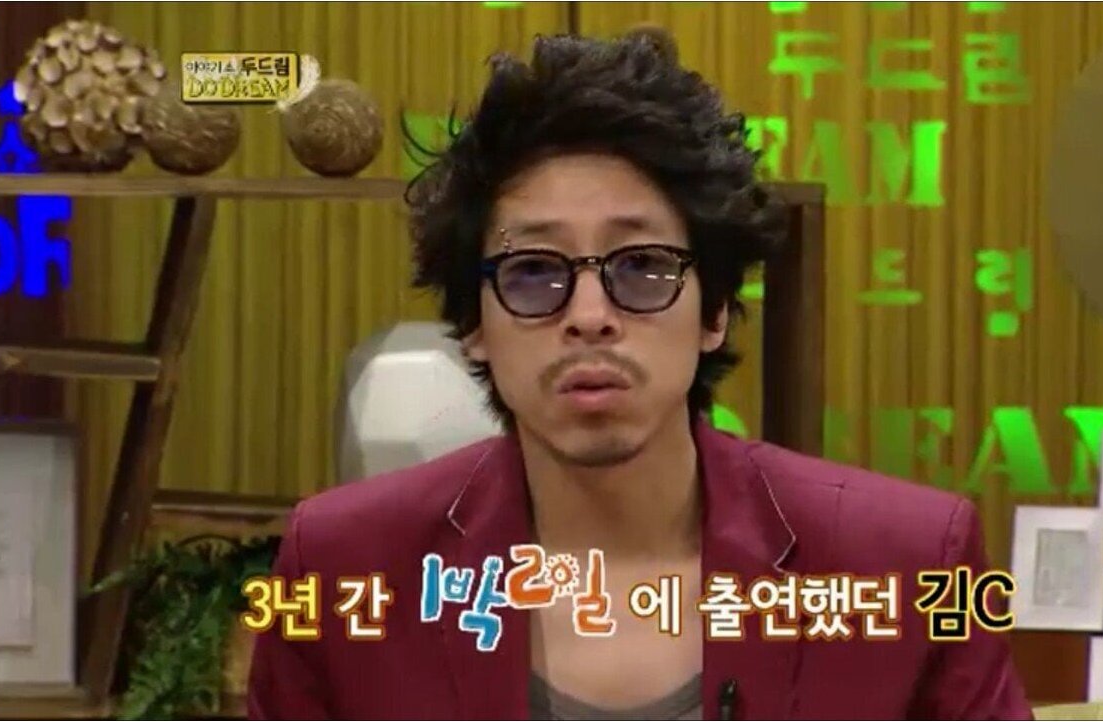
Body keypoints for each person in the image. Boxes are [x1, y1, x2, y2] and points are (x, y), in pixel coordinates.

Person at [247, 32, 1033, 721]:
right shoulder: (343, 568)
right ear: (474, 326)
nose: (589, 315)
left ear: (713, 310)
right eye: (533, 272)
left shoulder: (913, 565)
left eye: (642, 266)